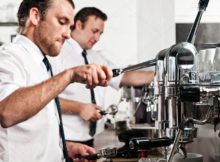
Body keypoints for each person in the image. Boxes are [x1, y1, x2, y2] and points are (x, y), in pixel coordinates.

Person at [0, 1, 113, 162]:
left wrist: (65, 148)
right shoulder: (8, 57)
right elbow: (6, 112)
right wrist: (69, 76)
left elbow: (34, 129)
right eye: (62, 22)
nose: (68, 34)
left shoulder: (41, 62)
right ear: (35, 16)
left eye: (70, 26)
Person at [50, 7, 154, 147]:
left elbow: (124, 77)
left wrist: (159, 74)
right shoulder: (58, 53)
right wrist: (79, 108)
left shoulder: (96, 57)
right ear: (79, 24)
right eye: (94, 31)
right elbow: (45, 98)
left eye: (100, 33)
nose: (97, 38)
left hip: (90, 139)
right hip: (64, 140)